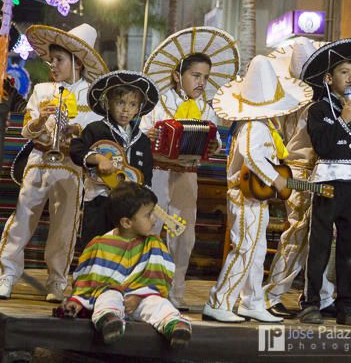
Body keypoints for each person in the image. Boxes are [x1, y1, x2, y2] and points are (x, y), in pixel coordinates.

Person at [0, 24, 108, 302]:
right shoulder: (42, 89)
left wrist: (76, 132)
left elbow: (94, 135)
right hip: (40, 158)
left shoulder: (92, 97)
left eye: (59, 60)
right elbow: (26, 132)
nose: (52, 65)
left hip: (71, 165)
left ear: (77, 63)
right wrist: (42, 119)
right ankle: (7, 274)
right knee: (22, 217)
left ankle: (57, 280)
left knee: (65, 225)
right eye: (51, 60)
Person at [202, 55, 312, 323]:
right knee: (245, 248)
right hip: (245, 196)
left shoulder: (258, 125)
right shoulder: (255, 126)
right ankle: (220, 300)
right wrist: (276, 179)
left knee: (255, 249)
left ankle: (250, 301)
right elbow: (253, 156)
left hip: (252, 197)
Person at [141, 27, 239, 307]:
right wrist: (150, 135)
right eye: (196, 75)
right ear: (177, 75)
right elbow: (144, 132)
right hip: (158, 172)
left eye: (205, 77)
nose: (201, 82)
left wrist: (212, 146)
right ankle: (148, 288)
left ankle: (176, 293)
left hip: (188, 176)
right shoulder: (158, 103)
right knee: (152, 226)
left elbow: (215, 141)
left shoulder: (206, 109)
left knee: (184, 235)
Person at [297, 38, 351, 326]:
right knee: (320, 245)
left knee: (350, 248)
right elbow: (323, 146)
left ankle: (347, 304)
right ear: (328, 78)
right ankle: (310, 302)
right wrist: (343, 122)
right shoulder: (319, 110)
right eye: (344, 72)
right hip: (327, 186)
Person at [59, 182, 192, 349]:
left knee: (159, 304)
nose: (154, 219)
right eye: (148, 215)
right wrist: (77, 301)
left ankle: (174, 326)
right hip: (111, 294)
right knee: (107, 298)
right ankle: (110, 320)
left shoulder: (154, 245)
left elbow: (157, 280)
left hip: (142, 298)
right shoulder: (101, 244)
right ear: (127, 222)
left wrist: (139, 296)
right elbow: (89, 280)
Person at [261, 38, 337, 319]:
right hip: (300, 173)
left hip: (322, 171)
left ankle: (320, 294)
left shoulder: (320, 97)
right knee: (297, 232)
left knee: (321, 235)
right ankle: (274, 294)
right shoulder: (294, 99)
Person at [70, 70, 159, 249]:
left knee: (124, 248)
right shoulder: (95, 129)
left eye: (133, 104)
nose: (126, 109)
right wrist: (98, 158)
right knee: (95, 244)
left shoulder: (141, 139)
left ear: (139, 108)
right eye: (120, 102)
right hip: (98, 199)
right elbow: (76, 149)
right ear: (108, 103)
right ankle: (90, 276)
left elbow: (146, 173)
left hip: (128, 207)